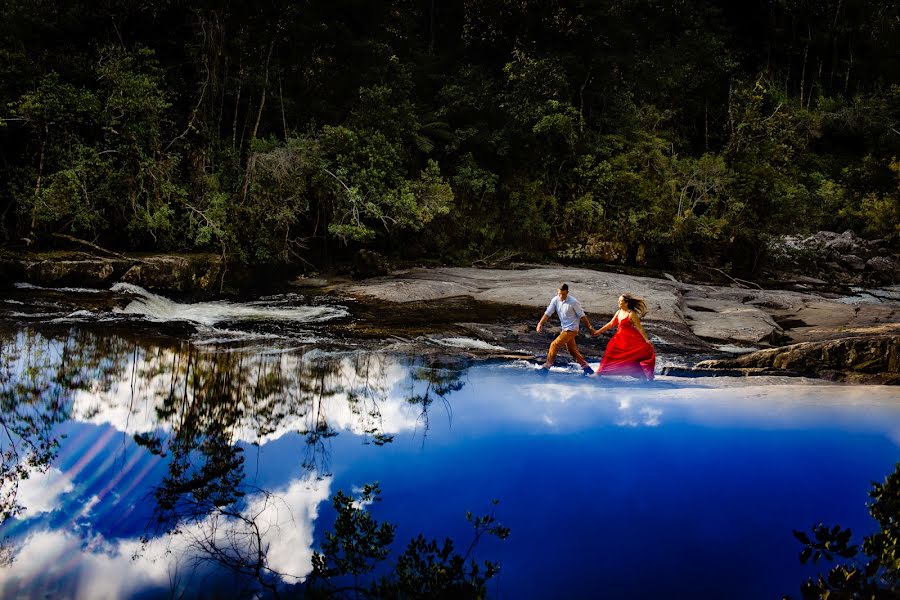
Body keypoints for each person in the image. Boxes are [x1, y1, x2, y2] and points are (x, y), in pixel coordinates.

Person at [591, 293, 656, 380]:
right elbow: (611, 324)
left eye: (620, 301)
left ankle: (641, 375)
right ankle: (600, 372)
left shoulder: (632, 314)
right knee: (610, 354)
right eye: (618, 300)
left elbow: (640, 328)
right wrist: (598, 331)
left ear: (626, 303)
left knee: (630, 358)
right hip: (619, 339)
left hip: (629, 340)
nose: (618, 302)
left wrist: (646, 340)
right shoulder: (619, 312)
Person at [536, 283, 596, 375]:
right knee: (572, 351)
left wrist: (590, 327)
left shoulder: (573, 302)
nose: (561, 296)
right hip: (564, 329)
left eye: (563, 294)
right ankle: (587, 368)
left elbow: (582, 316)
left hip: (572, 329)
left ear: (567, 292)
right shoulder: (555, 300)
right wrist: (540, 323)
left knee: (554, 345)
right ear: (557, 292)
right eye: (559, 294)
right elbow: (548, 313)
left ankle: (546, 367)